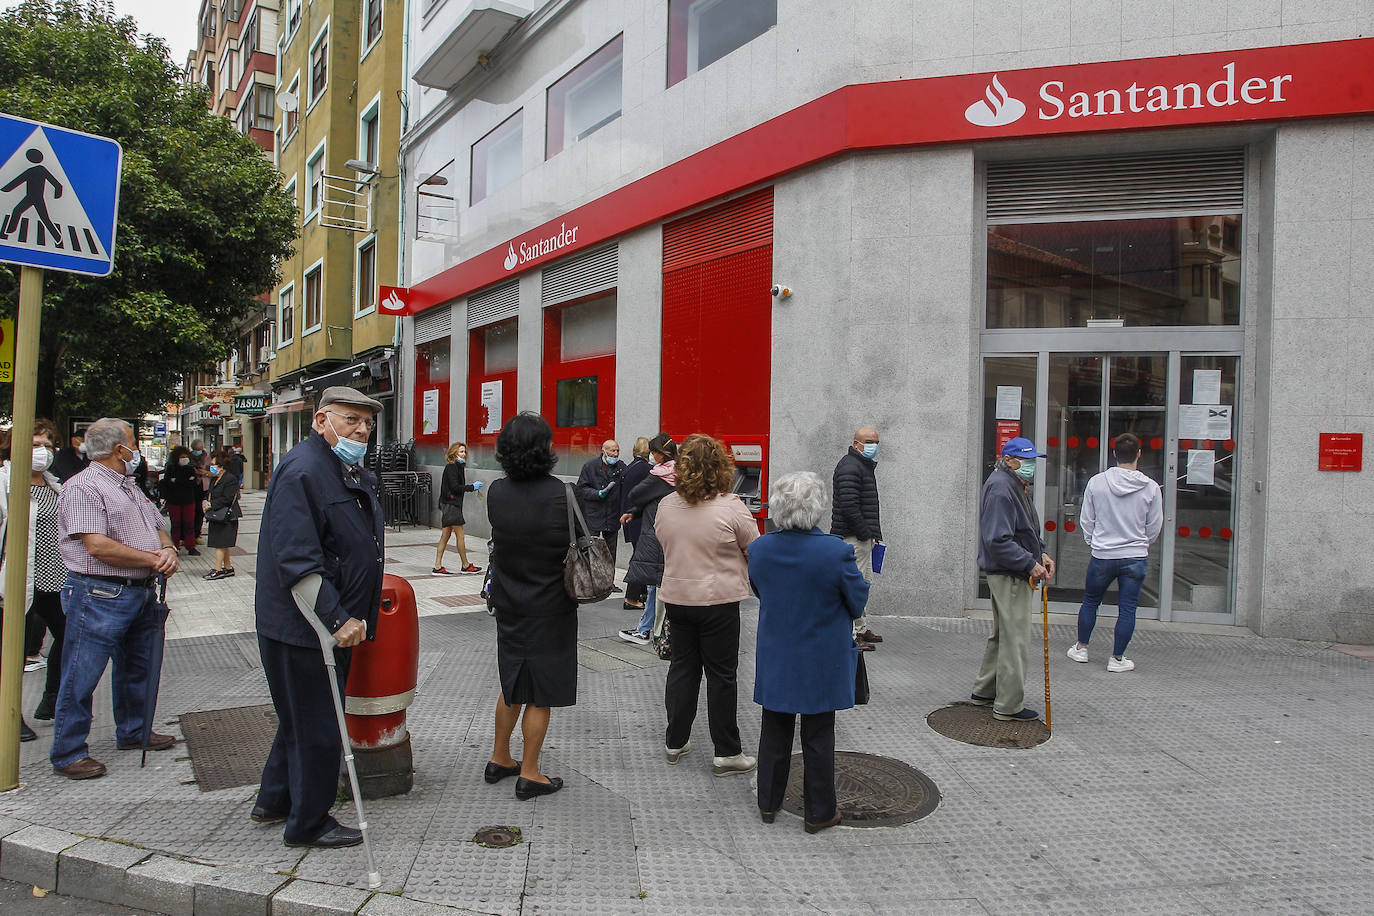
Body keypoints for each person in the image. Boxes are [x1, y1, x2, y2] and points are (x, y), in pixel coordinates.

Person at [254, 387, 383, 848]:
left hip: (322, 624)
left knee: (301, 718)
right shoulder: (305, 469)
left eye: (367, 422)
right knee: (320, 727)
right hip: (305, 628)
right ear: (321, 419)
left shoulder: (339, 467)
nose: (361, 430)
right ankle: (308, 823)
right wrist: (336, 619)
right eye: (351, 420)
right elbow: (298, 560)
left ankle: (275, 799)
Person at [50, 418, 180, 780]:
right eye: (133, 443)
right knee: (82, 672)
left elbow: (158, 525)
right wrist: (155, 559)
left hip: (139, 591)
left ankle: (135, 730)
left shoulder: (129, 486)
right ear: (119, 449)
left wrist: (167, 548)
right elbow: (97, 546)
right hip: (98, 591)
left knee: (139, 666)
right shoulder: (84, 487)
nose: (136, 449)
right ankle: (69, 751)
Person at [750, 471, 869, 833]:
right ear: (816, 508)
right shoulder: (836, 552)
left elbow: (759, 589)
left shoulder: (760, 547)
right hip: (821, 655)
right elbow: (858, 601)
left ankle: (768, 803)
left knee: (774, 729)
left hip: (778, 651)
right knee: (818, 734)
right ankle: (819, 812)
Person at [484, 413, 577, 800]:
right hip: (551, 605)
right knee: (540, 691)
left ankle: (499, 757)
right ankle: (530, 772)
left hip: (508, 600)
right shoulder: (563, 494)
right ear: (545, 449)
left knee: (512, 684)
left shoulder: (496, 492)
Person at [656, 433, 759, 776]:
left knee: (683, 669)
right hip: (719, 601)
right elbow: (755, 550)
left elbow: (663, 541)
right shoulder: (732, 507)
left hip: (677, 599)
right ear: (720, 466)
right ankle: (726, 752)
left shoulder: (666, 505)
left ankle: (675, 740)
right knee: (721, 676)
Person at [971, 437, 1055, 722]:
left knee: (1003, 635)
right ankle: (1008, 705)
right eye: (1025, 460)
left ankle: (985, 690)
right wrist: (1030, 563)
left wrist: (1040, 553)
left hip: (1010, 569)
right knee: (1014, 639)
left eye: (1032, 460)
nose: (1030, 465)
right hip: (1009, 573)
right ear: (1007, 459)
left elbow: (1025, 528)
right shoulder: (1002, 487)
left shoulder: (1012, 484)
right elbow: (998, 540)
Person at [1067, 433, 1163, 673]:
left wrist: (1094, 542)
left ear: (1114, 454)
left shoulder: (1097, 482)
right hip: (1135, 555)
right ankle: (1117, 658)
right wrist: (1141, 543)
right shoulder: (1151, 487)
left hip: (1103, 555)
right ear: (1139, 454)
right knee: (1128, 608)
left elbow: (1086, 519)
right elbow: (1155, 525)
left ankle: (1081, 648)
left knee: (1091, 601)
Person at [1, 423, 67, 738]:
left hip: (55, 578)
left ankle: (51, 701)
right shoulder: (6, 483)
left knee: (69, 638)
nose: (41, 451)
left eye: (46, 444)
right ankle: (10, 715)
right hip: (19, 580)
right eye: (34, 444)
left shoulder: (55, 484)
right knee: (14, 651)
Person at [618, 434, 677, 645]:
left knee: (656, 584)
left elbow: (636, 494)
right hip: (669, 534)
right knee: (657, 585)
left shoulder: (662, 474)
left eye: (654, 452)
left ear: (662, 454)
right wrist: (636, 511)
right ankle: (648, 629)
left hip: (656, 535)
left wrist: (636, 505)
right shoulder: (678, 473)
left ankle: (649, 631)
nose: (651, 456)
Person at [831, 426, 883, 648]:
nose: (873, 446)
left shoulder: (861, 465)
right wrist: (865, 533)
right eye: (869, 442)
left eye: (876, 442)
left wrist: (873, 536)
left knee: (863, 583)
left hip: (862, 538)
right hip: (853, 538)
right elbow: (850, 505)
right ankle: (851, 634)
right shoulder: (851, 467)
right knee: (855, 585)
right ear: (856, 444)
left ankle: (860, 628)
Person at [574, 439, 625, 577]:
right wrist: (597, 494)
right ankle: (590, 579)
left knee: (610, 551)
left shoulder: (621, 467)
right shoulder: (590, 466)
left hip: (612, 516)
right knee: (590, 548)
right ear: (604, 451)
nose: (615, 454)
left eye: (617, 450)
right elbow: (581, 489)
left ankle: (609, 581)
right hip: (594, 514)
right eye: (612, 450)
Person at [433, 442, 483, 574]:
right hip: (451, 506)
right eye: (461, 452)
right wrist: (472, 487)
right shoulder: (452, 467)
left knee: (445, 535)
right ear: (454, 453)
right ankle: (465, 565)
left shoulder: (457, 467)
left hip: (449, 505)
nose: (464, 454)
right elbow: (455, 487)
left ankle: (437, 566)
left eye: (464, 452)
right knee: (460, 535)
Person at [618, 437, 652, 610]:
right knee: (640, 559)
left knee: (639, 556)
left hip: (629, 518)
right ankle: (631, 597)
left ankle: (643, 592)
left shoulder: (630, 467)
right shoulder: (647, 469)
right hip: (640, 520)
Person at [203, 448, 242, 581]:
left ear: (222, 466)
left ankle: (218, 569)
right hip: (216, 515)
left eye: (214, 465)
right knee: (222, 543)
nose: (212, 467)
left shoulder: (230, 479)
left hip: (227, 516)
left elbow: (227, 498)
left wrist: (211, 504)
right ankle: (228, 567)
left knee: (220, 543)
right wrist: (206, 502)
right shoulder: (215, 479)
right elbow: (210, 494)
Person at [159, 446, 200, 555]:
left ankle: (191, 546)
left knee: (189, 524)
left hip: (189, 500)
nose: (184, 459)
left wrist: (177, 481)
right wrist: (184, 481)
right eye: (182, 457)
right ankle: (175, 546)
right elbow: (168, 483)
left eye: (186, 457)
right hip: (174, 501)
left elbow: (193, 483)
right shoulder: (171, 468)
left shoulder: (190, 468)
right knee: (176, 525)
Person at [189, 440, 211, 541]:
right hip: (191, 486)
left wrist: (205, 472)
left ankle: (197, 534)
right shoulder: (188, 457)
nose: (197, 452)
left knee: (200, 511)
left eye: (198, 450)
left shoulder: (207, 458)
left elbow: (214, 471)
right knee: (191, 511)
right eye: (195, 450)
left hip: (203, 486)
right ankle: (188, 535)